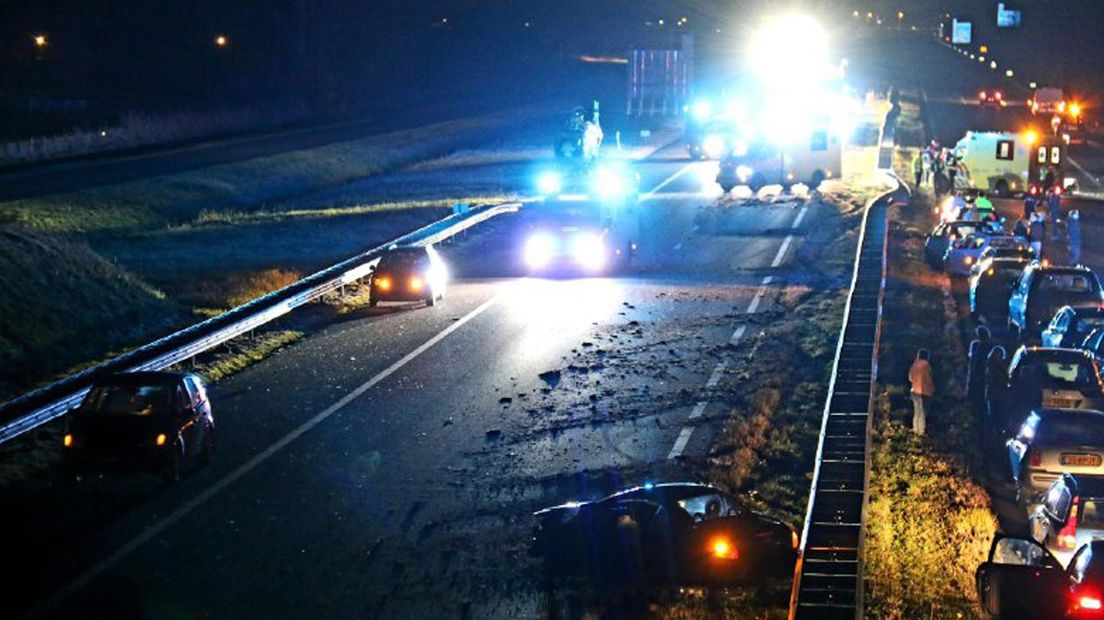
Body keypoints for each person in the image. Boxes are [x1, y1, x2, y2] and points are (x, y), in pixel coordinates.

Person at [967, 326, 994, 416]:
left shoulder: (985, 347)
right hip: (980, 377)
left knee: (982, 402)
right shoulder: (976, 345)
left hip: (983, 378)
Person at [909, 349, 934, 436]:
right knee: (923, 413)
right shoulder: (927, 365)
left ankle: (915, 430)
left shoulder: (914, 364)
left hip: (914, 390)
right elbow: (929, 378)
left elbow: (910, 378)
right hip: (925, 391)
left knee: (916, 412)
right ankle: (921, 432)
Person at [984, 346, 1007, 427]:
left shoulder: (990, 366)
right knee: (996, 416)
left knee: (994, 416)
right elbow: (1001, 380)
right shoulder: (994, 367)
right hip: (996, 394)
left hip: (993, 395)